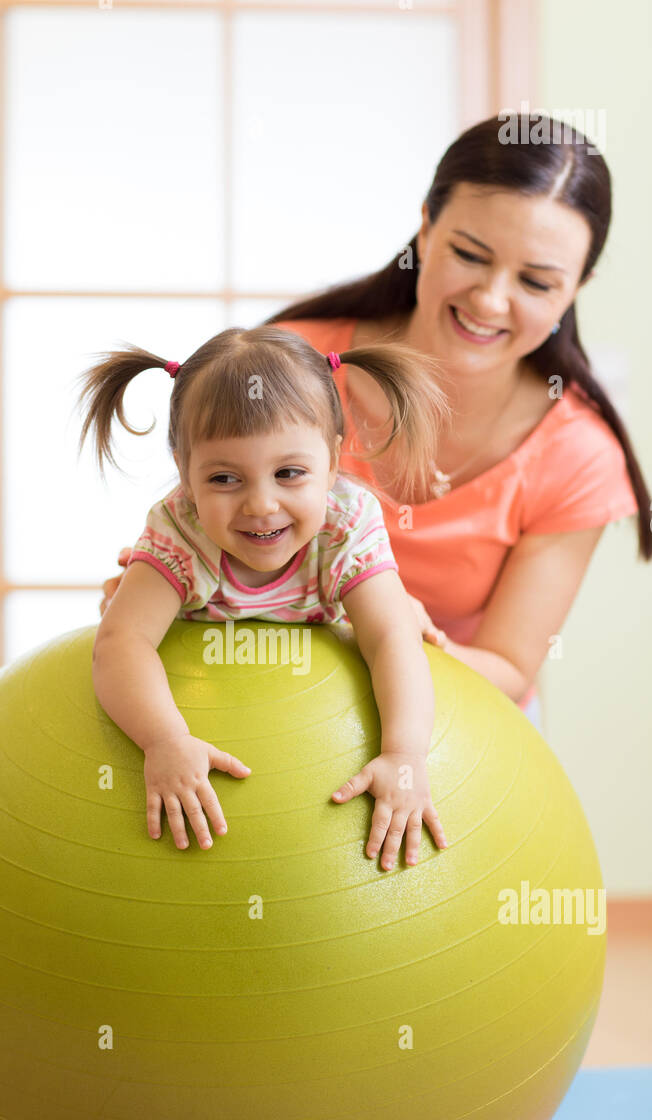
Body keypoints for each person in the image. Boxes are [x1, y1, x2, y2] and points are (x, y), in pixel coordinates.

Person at [100, 115, 652, 735]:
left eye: (535, 281)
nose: (491, 300)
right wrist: (165, 592)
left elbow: (508, 668)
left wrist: (390, 632)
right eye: (470, 255)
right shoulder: (297, 367)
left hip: (458, 737)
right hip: (257, 711)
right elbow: (206, 514)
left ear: (578, 284)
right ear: (425, 228)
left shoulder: (578, 454)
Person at [78, 326, 451, 870]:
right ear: (184, 473)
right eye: (225, 478)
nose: (260, 504)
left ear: (332, 461)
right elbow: (121, 642)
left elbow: (392, 640)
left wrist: (404, 754)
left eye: (289, 473)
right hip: (197, 671)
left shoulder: (344, 524)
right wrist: (163, 739)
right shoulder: (181, 528)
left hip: (333, 651)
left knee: (400, 616)